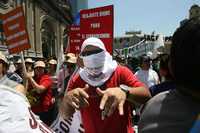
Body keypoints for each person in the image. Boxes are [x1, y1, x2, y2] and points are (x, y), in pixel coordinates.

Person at [61, 37, 151, 133]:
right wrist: (67, 100)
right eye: (86, 54)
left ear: (104, 52)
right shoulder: (78, 79)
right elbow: (65, 115)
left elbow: (147, 95)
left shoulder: (120, 72)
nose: (92, 57)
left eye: (96, 52)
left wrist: (125, 92)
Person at [138, 17, 200, 133]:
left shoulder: (153, 110)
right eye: (145, 61)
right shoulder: (138, 76)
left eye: (148, 61)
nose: (147, 63)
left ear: (171, 66)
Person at [26, 60, 54, 126]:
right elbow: (26, 90)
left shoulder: (46, 78)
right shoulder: (34, 78)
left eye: (41, 68)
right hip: (33, 110)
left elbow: (39, 90)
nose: (39, 69)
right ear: (34, 69)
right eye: (37, 68)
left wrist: (30, 78)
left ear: (44, 69)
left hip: (43, 111)